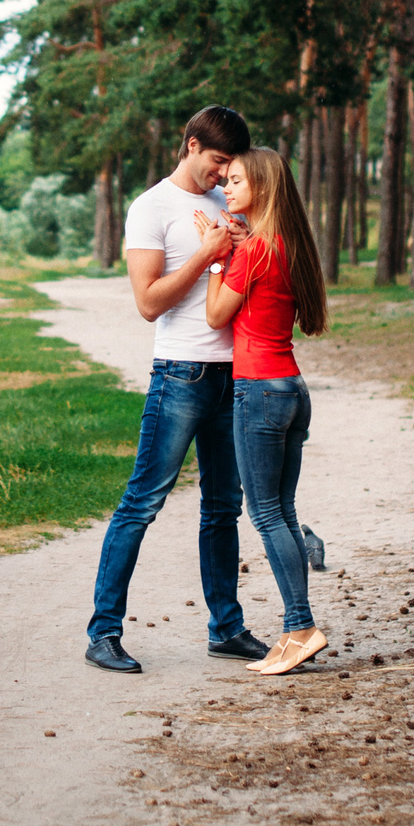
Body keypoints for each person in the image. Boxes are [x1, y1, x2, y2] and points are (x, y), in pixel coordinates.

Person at [83, 105, 269, 674]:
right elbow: (148, 302)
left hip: (234, 375)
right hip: (181, 374)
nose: (222, 174)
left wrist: (243, 246)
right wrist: (207, 255)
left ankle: (226, 629)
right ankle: (103, 633)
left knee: (223, 508)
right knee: (142, 502)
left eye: (230, 166)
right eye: (217, 161)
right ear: (191, 145)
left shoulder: (227, 203)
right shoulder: (151, 207)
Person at [201, 147, 329, 675]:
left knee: (266, 514)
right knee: (285, 512)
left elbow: (215, 316)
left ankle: (301, 627)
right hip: (291, 389)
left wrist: (214, 258)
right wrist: (235, 245)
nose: (226, 188)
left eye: (235, 181)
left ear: (263, 186)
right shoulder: (285, 244)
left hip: (258, 391)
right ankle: (296, 629)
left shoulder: (254, 250)